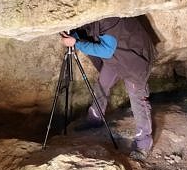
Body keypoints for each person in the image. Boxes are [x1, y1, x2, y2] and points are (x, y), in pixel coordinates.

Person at [60, 16, 156, 160]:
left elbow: (106, 51)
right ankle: (95, 119)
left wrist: (76, 43)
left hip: (134, 60)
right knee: (102, 84)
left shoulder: (109, 19)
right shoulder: (94, 16)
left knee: (138, 99)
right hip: (117, 58)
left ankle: (143, 144)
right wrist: (72, 35)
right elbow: (87, 30)